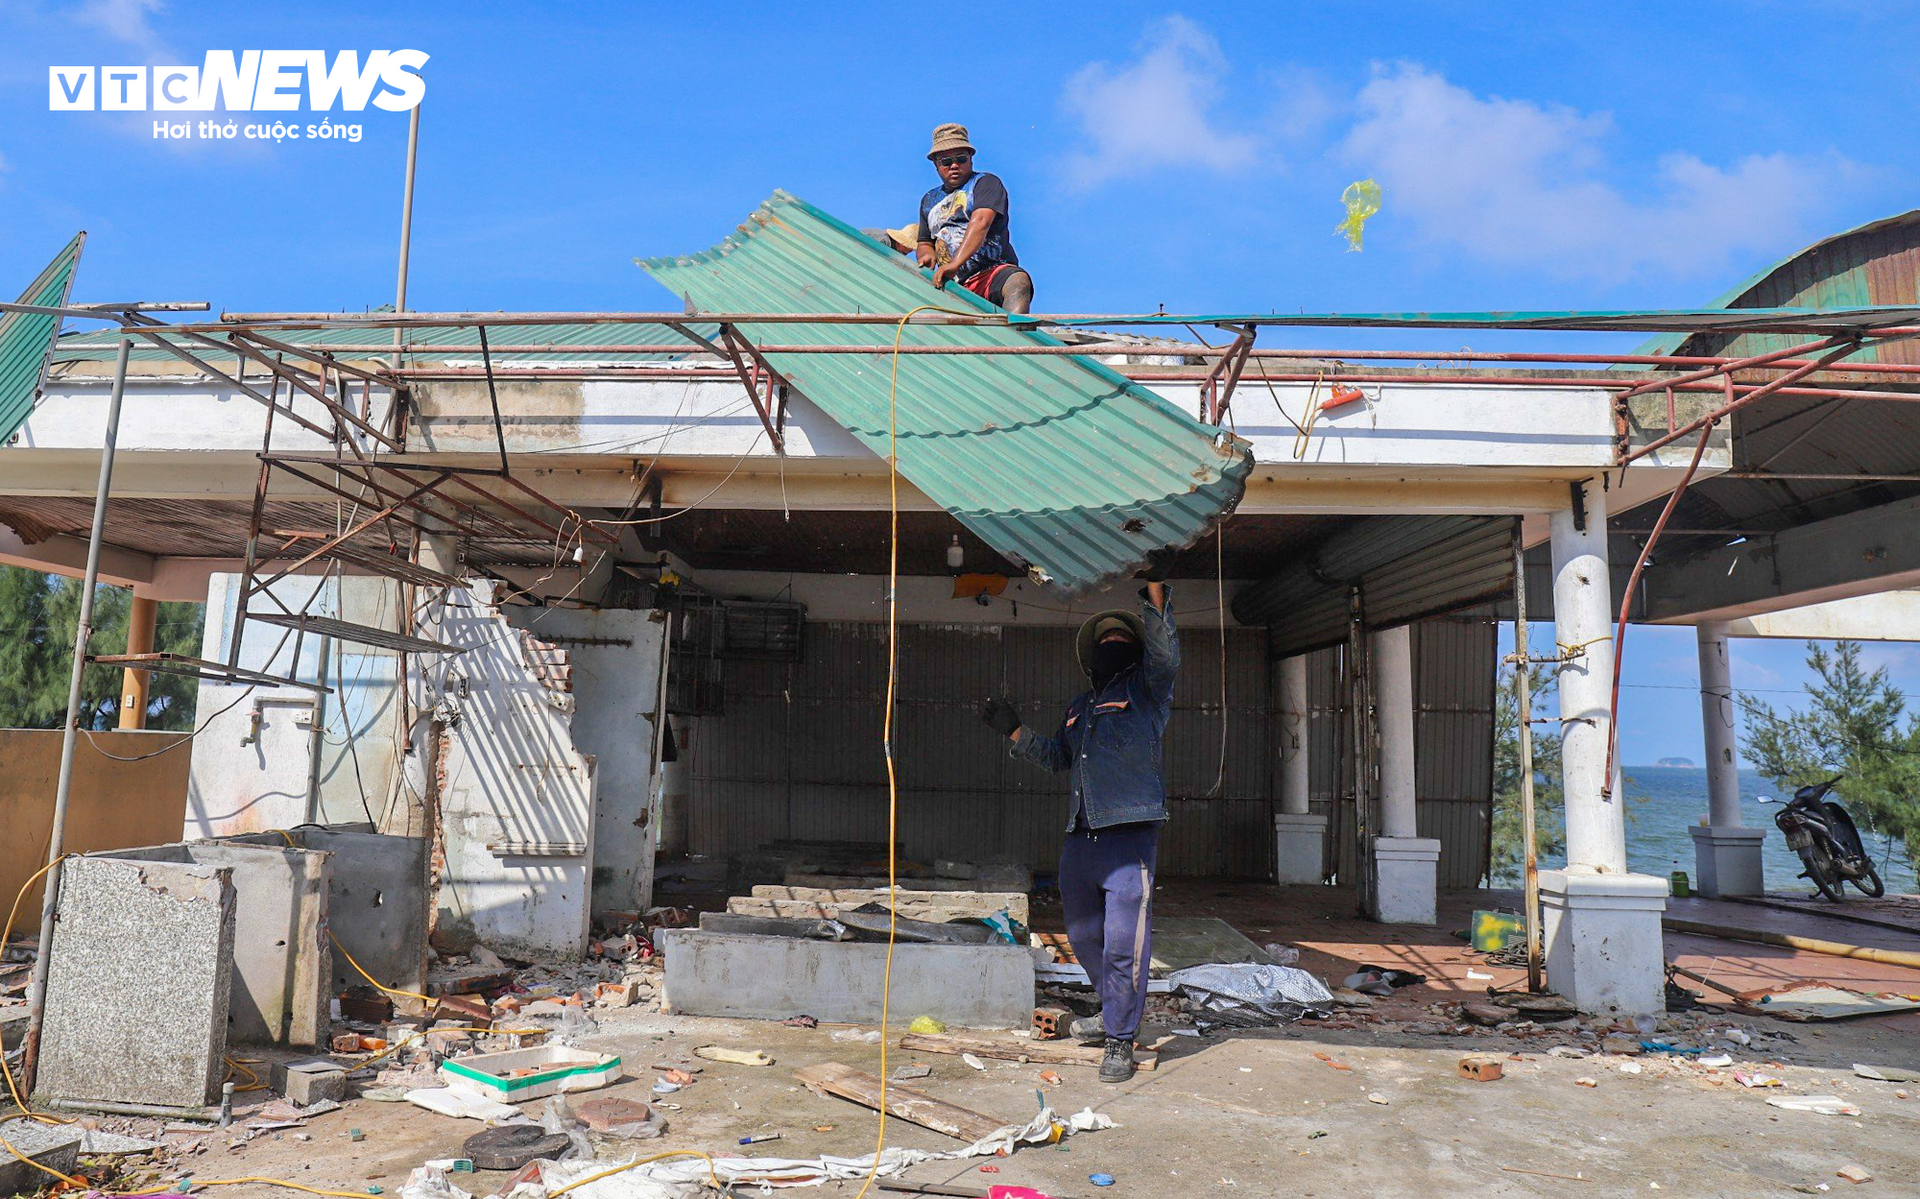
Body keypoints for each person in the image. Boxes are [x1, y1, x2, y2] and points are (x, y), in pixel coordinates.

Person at [979, 555, 1176, 1083]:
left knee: (1122, 944)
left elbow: (1165, 654)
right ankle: (1111, 1010)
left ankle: (1119, 1038)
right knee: (1084, 938)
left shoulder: (1147, 693)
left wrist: (1154, 588)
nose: (1113, 645)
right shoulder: (1080, 707)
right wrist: (1015, 732)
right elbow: (1059, 758)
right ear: (1093, 657)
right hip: (1080, 843)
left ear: (1133, 652)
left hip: (1128, 838)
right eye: (1105, 640)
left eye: (1122, 640)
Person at [916, 123, 1033, 314]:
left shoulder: (986, 183)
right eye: (946, 161)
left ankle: (1014, 338)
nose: (954, 165)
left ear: (971, 159)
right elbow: (924, 241)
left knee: (1017, 282)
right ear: (936, 164)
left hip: (989, 273)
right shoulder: (929, 200)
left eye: (961, 159)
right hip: (950, 283)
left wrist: (955, 264)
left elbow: (980, 222)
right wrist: (926, 257)